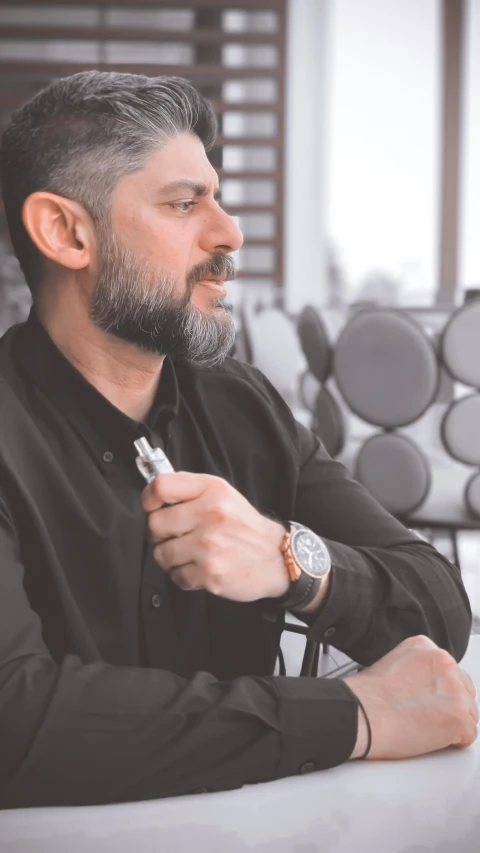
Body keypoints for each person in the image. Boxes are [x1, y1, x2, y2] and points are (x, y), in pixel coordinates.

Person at [0, 71, 476, 810]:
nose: (229, 232)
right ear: (66, 232)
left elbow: (441, 604)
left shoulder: (240, 405)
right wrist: (355, 713)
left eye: (217, 199)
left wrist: (292, 559)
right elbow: (15, 721)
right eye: (185, 203)